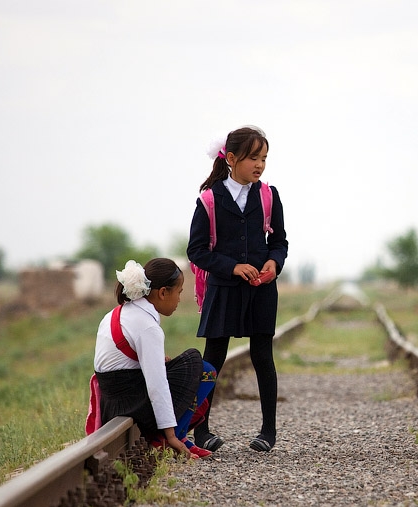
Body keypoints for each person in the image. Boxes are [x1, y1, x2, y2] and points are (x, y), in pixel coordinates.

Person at [187, 126, 288, 453]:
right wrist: (231, 266)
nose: (260, 164)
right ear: (231, 159)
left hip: (261, 290)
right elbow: (197, 251)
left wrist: (273, 264)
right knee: (213, 359)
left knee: (263, 356)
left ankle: (268, 431)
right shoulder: (209, 200)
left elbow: (279, 242)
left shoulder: (269, 196)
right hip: (223, 290)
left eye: (264, 158)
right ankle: (201, 431)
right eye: (253, 158)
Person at [91, 258, 217, 459]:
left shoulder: (119, 312)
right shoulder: (147, 327)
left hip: (114, 400)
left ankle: (175, 436)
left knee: (188, 365)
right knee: (203, 368)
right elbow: (156, 385)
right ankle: (174, 438)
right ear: (163, 292)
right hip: (132, 401)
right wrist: (170, 434)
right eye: (179, 292)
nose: (179, 299)